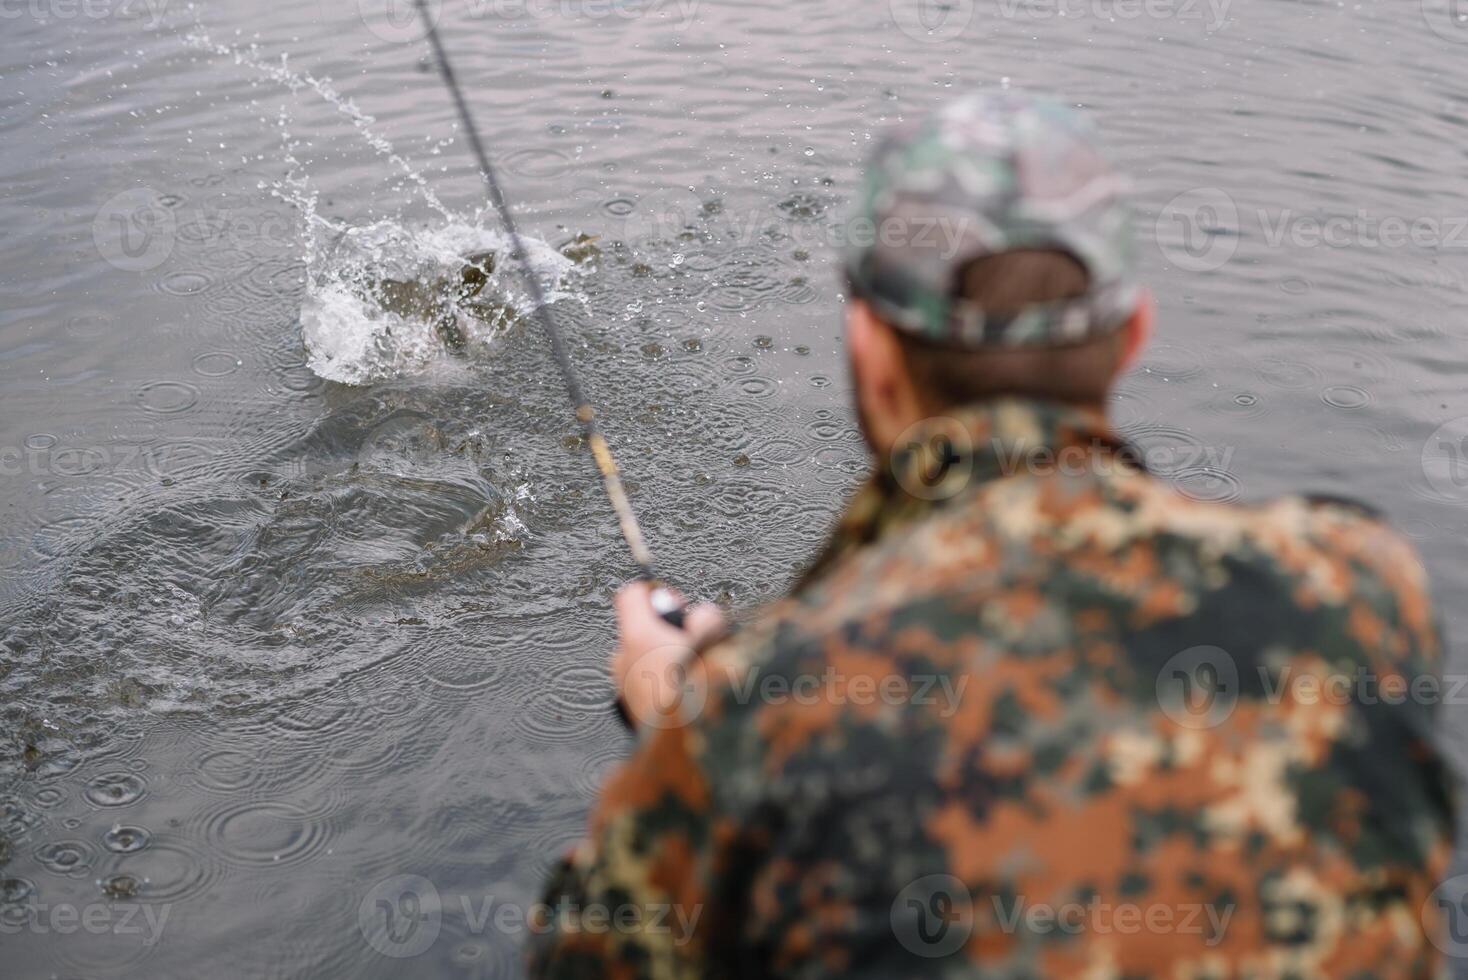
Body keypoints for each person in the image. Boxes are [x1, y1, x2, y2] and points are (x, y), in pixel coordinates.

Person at [526, 91, 1456, 978]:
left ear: (870, 351)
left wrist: (677, 730)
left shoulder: (756, 709)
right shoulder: (1361, 593)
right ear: (1134, 335)